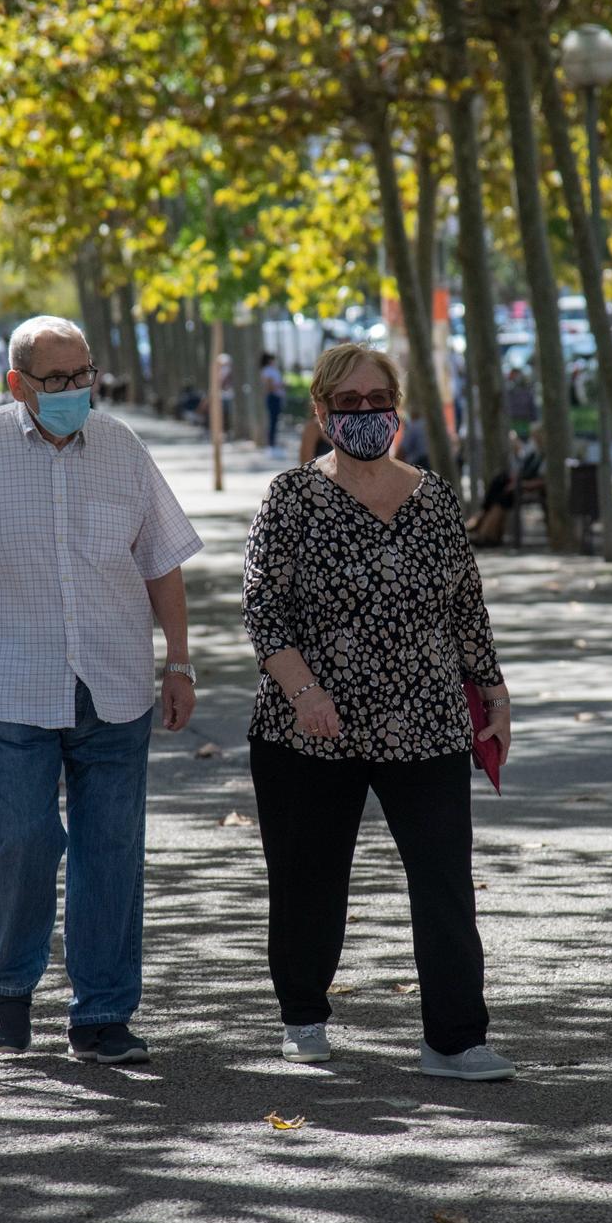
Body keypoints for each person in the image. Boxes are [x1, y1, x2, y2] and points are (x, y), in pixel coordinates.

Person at [0, 315, 202, 1066]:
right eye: (56, 381)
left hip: (114, 679)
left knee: (112, 852)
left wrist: (179, 661)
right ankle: (12, 984)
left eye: (84, 375)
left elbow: (161, 561)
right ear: (17, 384)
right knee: (22, 842)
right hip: (5, 681)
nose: (74, 391)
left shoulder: (121, 446)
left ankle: (103, 1011)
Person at [241, 341, 516, 1082]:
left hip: (424, 717)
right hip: (308, 728)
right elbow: (264, 611)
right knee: (308, 880)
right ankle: (303, 1013)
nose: (366, 414)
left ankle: (456, 1037)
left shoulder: (434, 498)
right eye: (349, 404)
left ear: (398, 406)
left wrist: (492, 691)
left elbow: (466, 605)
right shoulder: (291, 497)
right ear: (323, 412)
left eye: (377, 401)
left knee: (444, 879)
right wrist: (306, 693)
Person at [465, 429, 544, 547]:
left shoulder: (544, 456)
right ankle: (484, 527)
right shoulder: (534, 453)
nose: (534, 438)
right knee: (499, 481)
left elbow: (542, 481)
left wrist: (520, 484)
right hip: (518, 485)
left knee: (501, 496)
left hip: (526, 488)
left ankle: (484, 530)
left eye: (536, 436)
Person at [260, 351, 286, 452]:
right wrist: (281, 384)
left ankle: (273, 442)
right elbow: (269, 387)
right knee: (273, 421)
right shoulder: (267, 371)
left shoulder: (272, 370)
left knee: (275, 421)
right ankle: (271, 444)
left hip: (276, 397)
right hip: (273, 397)